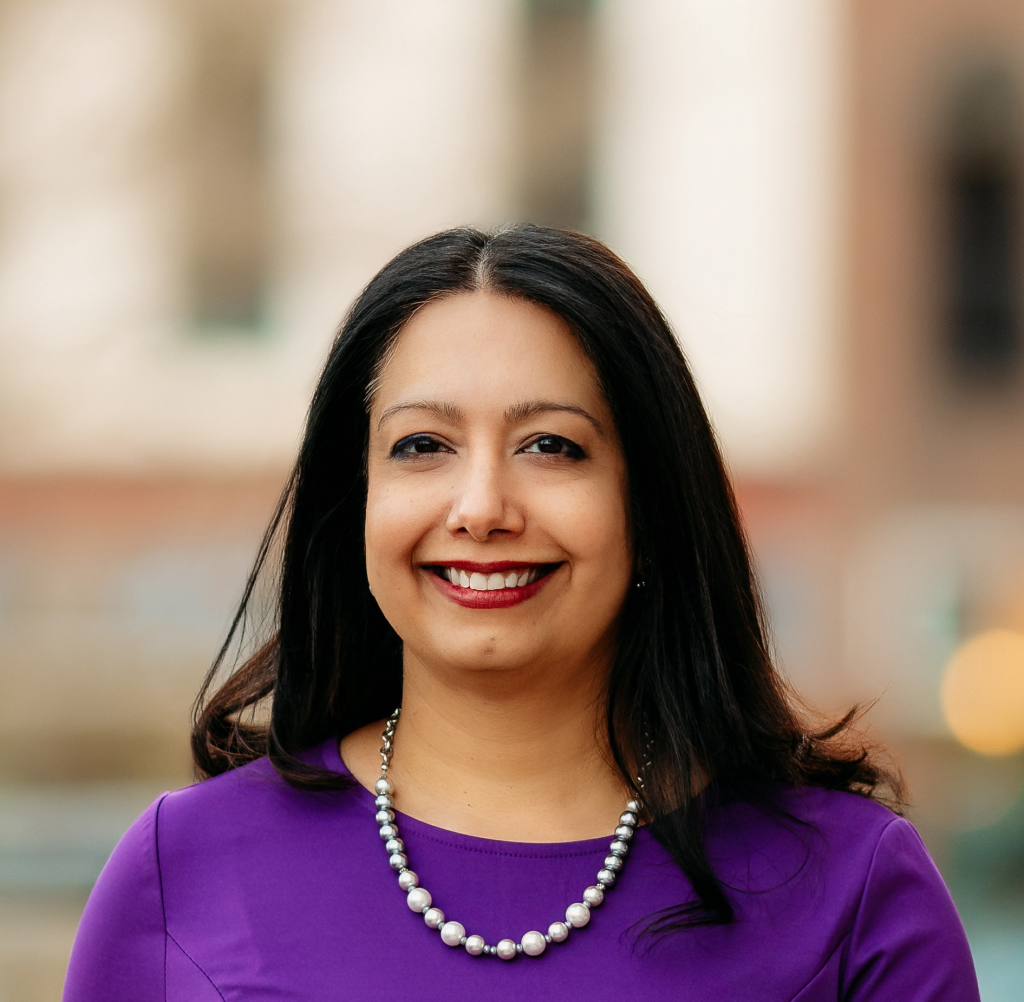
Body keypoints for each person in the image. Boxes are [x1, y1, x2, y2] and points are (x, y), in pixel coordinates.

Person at [63, 226, 979, 1001]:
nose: (482, 506)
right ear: (356, 504)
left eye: (552, 446)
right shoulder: (181, 875)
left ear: (650, 503)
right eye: (422, 445)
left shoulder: (855, 894)